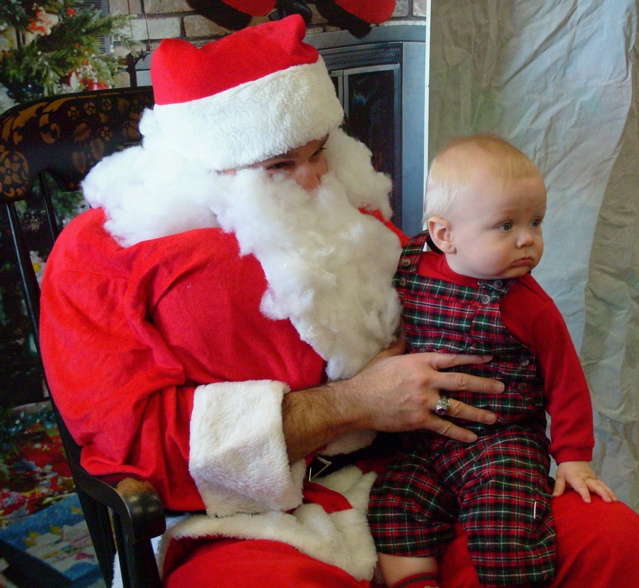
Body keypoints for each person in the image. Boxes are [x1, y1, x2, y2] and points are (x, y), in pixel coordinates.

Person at [38, 16, 639, 588]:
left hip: (416, 470)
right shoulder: (106, 254)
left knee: (609, 541)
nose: (311, 181)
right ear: (206, 170)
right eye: (279, 164)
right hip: (242, 517)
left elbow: (441, 292)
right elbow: (136, 447)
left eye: (318, 151)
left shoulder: (345, 207)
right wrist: (348, 405)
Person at [368, 134, 616, 588]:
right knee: (396, 503)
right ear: (444, 235)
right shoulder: (408, 266)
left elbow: (566, 382)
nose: (528, 240)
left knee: (507, 520)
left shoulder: (528, 306)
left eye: (536, 222)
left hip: (501, 441)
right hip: (425, 438)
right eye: (506, 226)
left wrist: (575, 458)